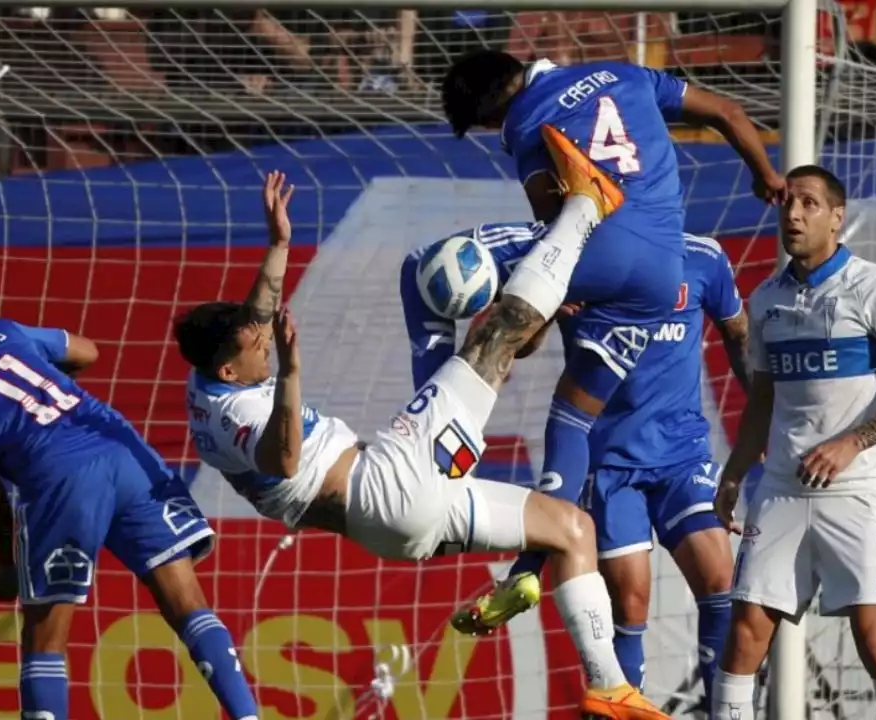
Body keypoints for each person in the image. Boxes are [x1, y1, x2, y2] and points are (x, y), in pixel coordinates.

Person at [179, 171, 668, 719]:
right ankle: (585, 205)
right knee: (496, 333)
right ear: (229, 367)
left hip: (393, 523)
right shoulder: (234, 412)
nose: (266, 337)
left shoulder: (212, 376)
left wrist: (279, 245)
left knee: (572, 529)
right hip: (386, 485)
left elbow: (255, 317)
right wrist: (290, 372)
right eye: (256, 344)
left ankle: (607, 686)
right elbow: (284, 459)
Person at [439, 50, 783, 594]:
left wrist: (537, 305)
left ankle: (465, 495)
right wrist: (766, 175)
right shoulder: (627, 74)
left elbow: (555, 220)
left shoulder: (524, 120)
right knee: (699, 590)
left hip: (601, 267)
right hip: (660, 274)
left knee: (456, 295)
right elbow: (726, 110)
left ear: (490, 111)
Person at [0, 296, 258, 720]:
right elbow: (87, 350)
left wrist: (4, 564)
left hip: (57, 478)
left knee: (44, 639)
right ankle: (247, 715)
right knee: (187, 601)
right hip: (119, 447)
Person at [403, 228, 751, 702]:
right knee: (630, 601)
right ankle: (625, 706)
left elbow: (738, 333)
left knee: (719, 582)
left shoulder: (704, 257)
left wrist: (761, 414)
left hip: (681, 453)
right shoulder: (575, 258)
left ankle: (726, 712)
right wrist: (548, 315)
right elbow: (521, 346)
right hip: (607, 460)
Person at [711, 166, 876, 720]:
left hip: (859, 490)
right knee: (745, 635)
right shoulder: (765, 299)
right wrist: (735, 472)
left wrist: (851, 443)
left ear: (837, 218)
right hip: (785, 490)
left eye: (809, 203)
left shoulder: (875, 287)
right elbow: (763, 399)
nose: (792, 214)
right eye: (788, 202)